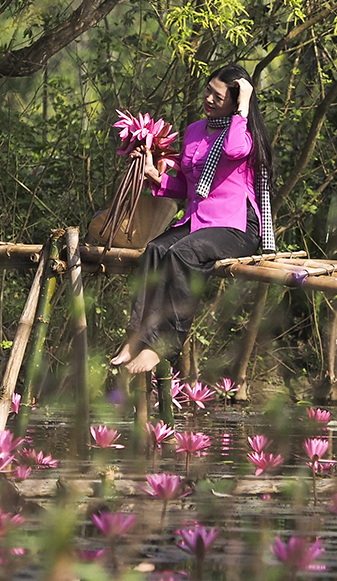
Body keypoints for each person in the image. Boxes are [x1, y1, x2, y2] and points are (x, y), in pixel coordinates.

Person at [110, 64, 277, 374]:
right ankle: (136, 338)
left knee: (182, 254)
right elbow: (188, 188)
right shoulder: (195, 130)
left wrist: (244, 106)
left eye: (218, 96)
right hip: (198, 220)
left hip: (236, 225)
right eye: (208, 91)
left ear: (236, 101)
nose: (209, 99)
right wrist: (154, 177)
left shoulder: (244, 132)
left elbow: (234, 149)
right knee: (156, 250)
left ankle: (164, 346)